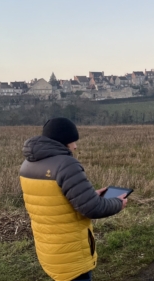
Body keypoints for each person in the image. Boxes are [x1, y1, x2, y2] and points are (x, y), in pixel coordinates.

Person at [19, 118, 128, 281]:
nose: (75, 146)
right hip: (71, 251)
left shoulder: (27, 165)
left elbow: (54, 200)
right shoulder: (66, 165)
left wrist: (90, 195)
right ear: (63, 141)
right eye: (72, 141)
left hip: (49, 249)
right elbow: (93, 208)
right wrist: (118, 203)